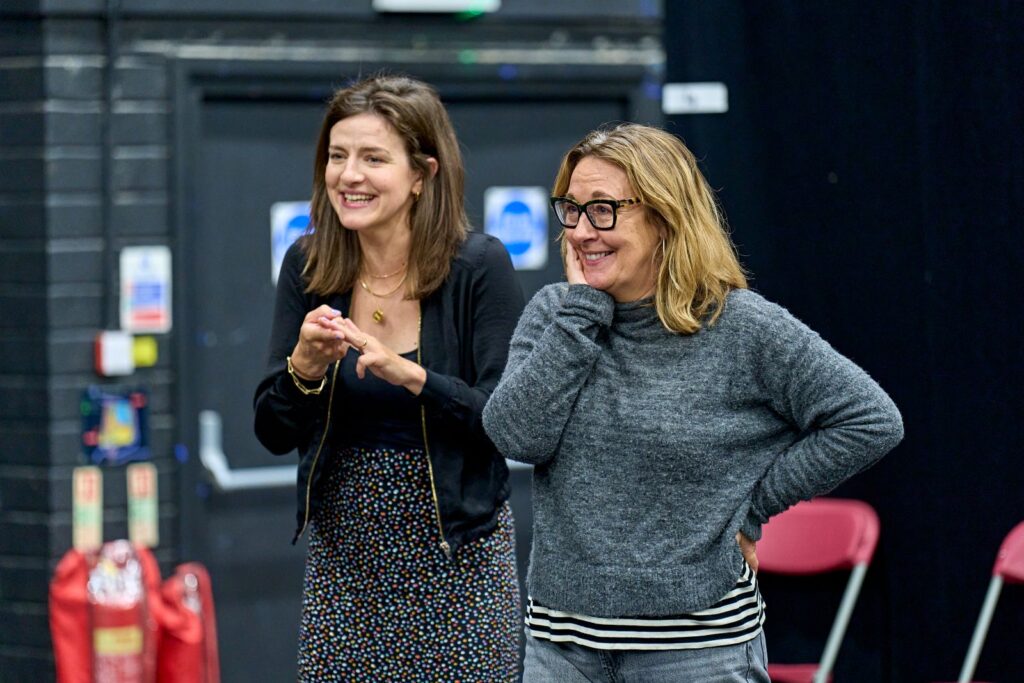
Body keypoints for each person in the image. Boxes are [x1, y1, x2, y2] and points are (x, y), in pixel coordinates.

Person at [482, 123, 904, 682]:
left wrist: (754, 506)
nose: (581, 231)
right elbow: (516, 437)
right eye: (572, 209)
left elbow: (870, 419)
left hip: (696, 654)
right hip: (561, 652)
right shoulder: (557, 314)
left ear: (664, 216)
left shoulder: (740, 326)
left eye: (603, 210)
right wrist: (583, 311)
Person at [253, 74, 524, 682]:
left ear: (422, 174)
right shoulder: (308, 264)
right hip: (346, 559)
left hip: (458, 557)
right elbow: (272, 431)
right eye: (337, 156)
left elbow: (507, 422)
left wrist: (414, 377)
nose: (349, 175)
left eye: (373, 158)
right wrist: (304, 368)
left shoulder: (478, 266)